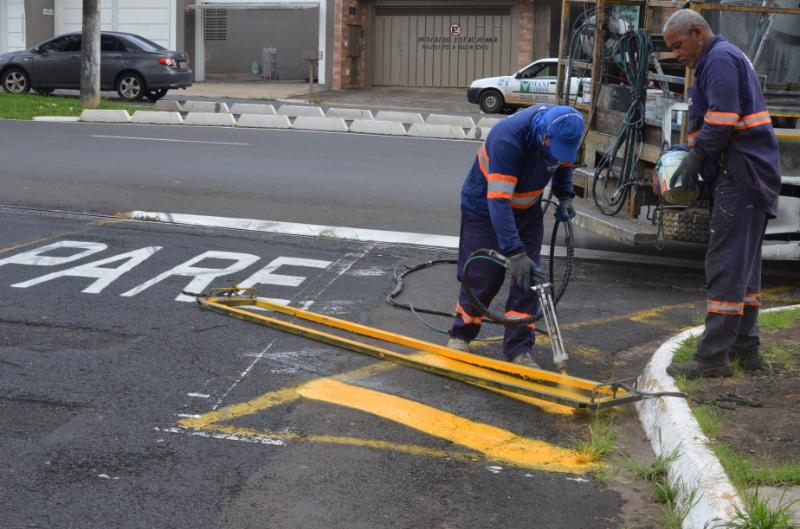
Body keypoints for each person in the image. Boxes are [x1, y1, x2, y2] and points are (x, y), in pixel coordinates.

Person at [662, 10, 782, 379]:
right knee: (743, 272)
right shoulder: (720, 58)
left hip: (741, 175)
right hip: (746, 175)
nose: (676, 55)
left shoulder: (720, 59)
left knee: (727, 268)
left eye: (678, 45)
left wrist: (695, 160)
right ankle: (747, 351)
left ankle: (712, 358)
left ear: (698, 33)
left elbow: (722, 119)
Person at [446, 104, 583, 368]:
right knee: (483, 274)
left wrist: (565, 195)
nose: (559, 155)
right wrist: (515, 252)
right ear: (544, 136)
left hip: (527, 209)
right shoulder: (508, 138)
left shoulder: (567, 127)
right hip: (485, 207)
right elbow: (498, 201)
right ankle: (461, 333)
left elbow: (564, 164)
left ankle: (519, 348)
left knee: (530, 279)